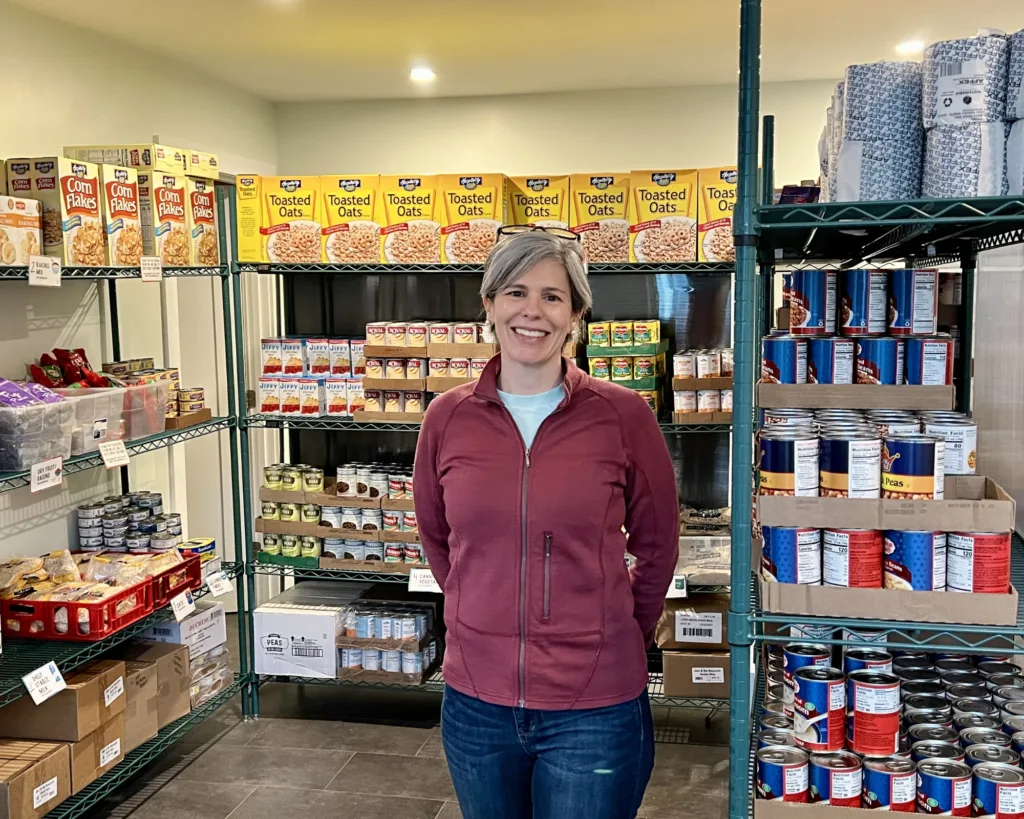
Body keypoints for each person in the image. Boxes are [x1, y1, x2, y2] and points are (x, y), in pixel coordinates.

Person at [414, 227, 679, 819]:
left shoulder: (623, 415)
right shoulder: (447, 417)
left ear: (576, 315)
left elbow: (659, 544)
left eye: (553, 297)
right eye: (514, 292)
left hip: (595, 704)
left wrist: (617, 632)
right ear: (488, 305)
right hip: (476, 700)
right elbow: (437, 537)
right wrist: (472, 607)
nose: (532, 311)